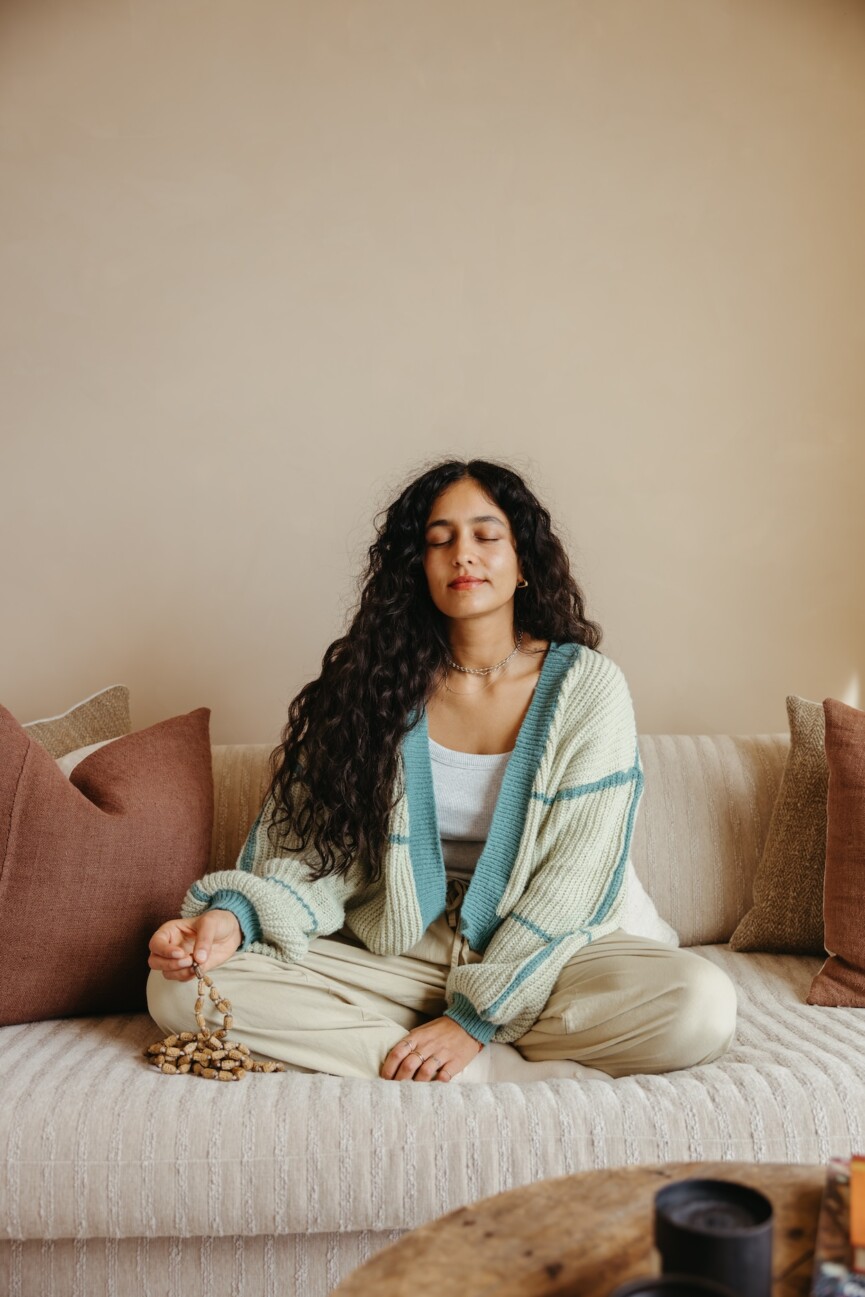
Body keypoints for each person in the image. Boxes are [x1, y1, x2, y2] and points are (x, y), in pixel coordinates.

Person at [147, 459, 737, 1082]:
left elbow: (574, 880)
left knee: (702, 1005)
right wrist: (233, 918)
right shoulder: (365, 687)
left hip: (551, 956)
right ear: (416, 567)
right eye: (439, 540)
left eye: (487, 536)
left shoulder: (587, 688)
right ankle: (472, 1074)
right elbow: (315, 852)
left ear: (524, 563)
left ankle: (444, 1048)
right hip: (396, 951)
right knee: (178, 993)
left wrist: (473, 1021)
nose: (463, 555)